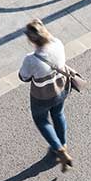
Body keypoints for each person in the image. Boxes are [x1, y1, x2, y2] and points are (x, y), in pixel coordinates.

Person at [18, 19, 75, 171]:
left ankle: (59, 149)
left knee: (42, 120)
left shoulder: (31, 59)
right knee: (58, 114)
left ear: (31, 39)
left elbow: (23, 77)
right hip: (61, 89)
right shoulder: (57, 43)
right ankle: (62, 143)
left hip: (41, 97)